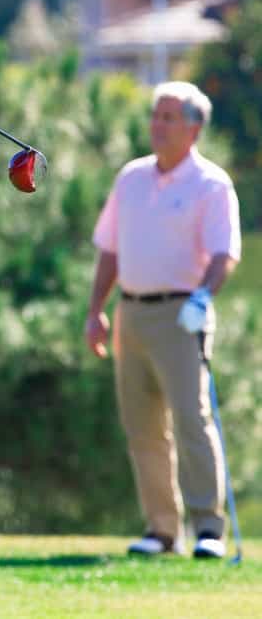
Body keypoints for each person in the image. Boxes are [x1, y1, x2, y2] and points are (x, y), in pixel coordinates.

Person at [85, 81, 241, 559]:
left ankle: (208, 530)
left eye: (169, 117)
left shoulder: (212, 184)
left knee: (192, 422)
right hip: (130, 312)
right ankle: (161, 531)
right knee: (143, 427)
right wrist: (96, 311)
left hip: (182, 315)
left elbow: (223, 254)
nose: (158, 125)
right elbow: (110, 249)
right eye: (156, 115)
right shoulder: (130, 178)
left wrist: (203, 298)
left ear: (193, 128)